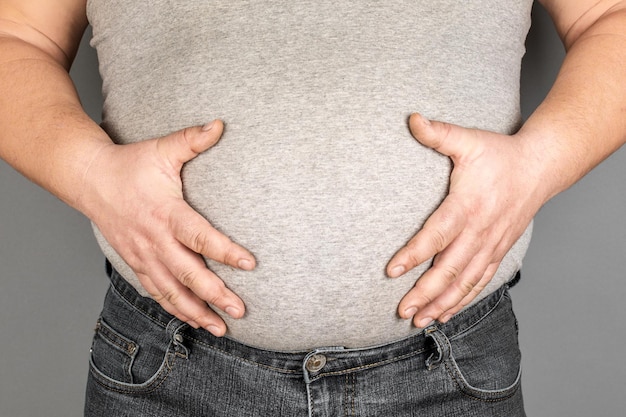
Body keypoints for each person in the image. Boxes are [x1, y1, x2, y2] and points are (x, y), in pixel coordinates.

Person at [0, 0, 624, 415]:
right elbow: (15, 36)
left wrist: (536, 165)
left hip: (448, 372)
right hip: (169, 371)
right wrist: (91, 173)